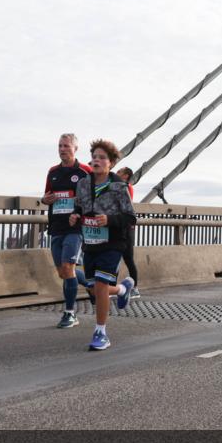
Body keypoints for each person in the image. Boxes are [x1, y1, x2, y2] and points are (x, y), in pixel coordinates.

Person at [70, 139, 137, 351]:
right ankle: (122, 289)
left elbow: (130, 218)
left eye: (102, 158)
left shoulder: (119, 187)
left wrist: (109, 220)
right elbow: (80, 207)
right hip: (90, 243)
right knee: (93, 288)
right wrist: (75, 216)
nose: (96, 161)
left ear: (111, 163)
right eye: (94, 157)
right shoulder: (82, 184)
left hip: (113, 243)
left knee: (99, 286)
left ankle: (101, 332)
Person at [42, 133, 92, 329]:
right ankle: (89, 283)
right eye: (60, 146)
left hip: (75, 228)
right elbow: (45, 196)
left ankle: (70, 314)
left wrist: (81, 214)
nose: (62, 149)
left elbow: (92, 199)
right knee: (63, 272)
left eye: (66, 146)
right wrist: (45, 200)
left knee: (68, 267)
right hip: (56, 226)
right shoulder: (52, 171)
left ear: (75, 149)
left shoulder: (85, 171)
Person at [115, 167, 141, 298]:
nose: (116, 173)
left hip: (127, 227)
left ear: (125, 176)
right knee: (114, 258)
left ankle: (135, 288)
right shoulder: (115, 186)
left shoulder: (127, 187)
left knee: (128, 258)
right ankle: (112, 288)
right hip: (118, 226)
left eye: (119, 172)